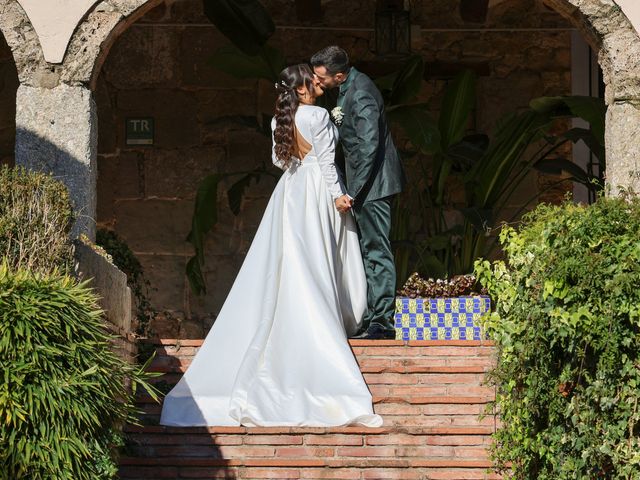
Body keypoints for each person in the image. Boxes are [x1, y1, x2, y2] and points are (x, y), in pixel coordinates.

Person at [160, 64, 382, 428]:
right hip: (315, 192)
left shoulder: (280, 120)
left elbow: (281, 161)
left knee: (288, 262)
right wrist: (338, 196)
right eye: (313, 80)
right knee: (315, 261)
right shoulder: (318, 115)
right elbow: (327, 161)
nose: (318, 83)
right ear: (303, 88)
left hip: (290, 193)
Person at [311, 46, 405, 340]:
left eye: (321, 77)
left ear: (338, 75)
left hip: (373, 187)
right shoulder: (346, 88)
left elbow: (368, 147)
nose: (317, 82)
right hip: (365, 186)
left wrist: (352, 192)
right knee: (367, 251)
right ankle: (371, 316)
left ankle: (382, 323)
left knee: (377, 251)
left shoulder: (361, 93)